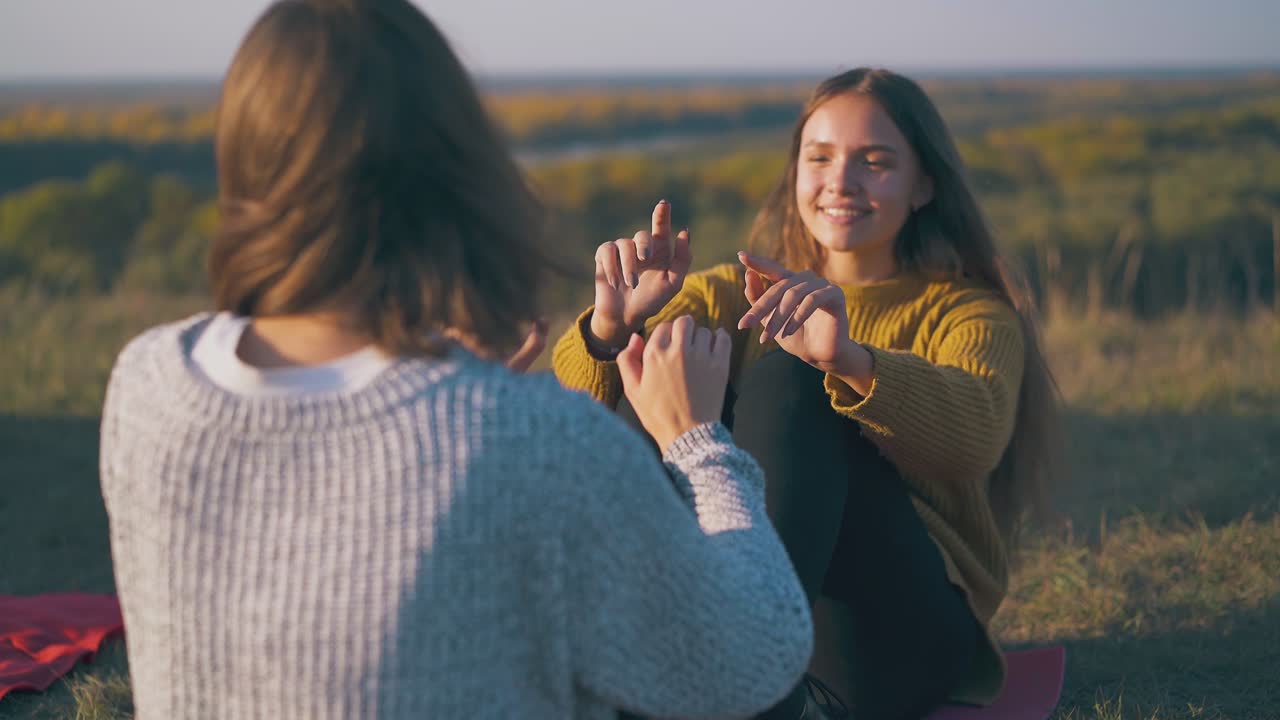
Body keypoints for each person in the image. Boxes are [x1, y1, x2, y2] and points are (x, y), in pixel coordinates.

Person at [98, 1, 815, 718]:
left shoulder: (149, 382)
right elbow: (752, 656)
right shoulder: (537, 443)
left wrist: (460, 405)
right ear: (458, 167)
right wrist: (699, 442)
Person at [552, 68, 1061, 720]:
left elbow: (975, 438)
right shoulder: (735, 292)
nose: (840, 182)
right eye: (819, 158)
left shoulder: (968, 314)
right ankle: (636, 665)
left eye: (875, 162)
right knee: (648, 366)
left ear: (924, 185)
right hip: (743, 627)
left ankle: (736, 676)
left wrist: (847, 359)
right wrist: (611, 328)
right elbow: (577, 419)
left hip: (889, 637)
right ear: (796, 173)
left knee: (794, 378)